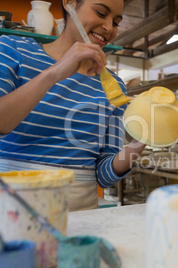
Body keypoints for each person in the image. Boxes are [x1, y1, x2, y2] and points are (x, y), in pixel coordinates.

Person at [0, 0, 145, 211]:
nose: (108, 27)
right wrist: (54, 73)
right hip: (12, 211)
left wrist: (142, 140)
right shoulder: (12, 51)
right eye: (100, 12)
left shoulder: (114, 86)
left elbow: (104, 175)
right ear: (69, 3)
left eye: (116, 21)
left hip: (80, 215)